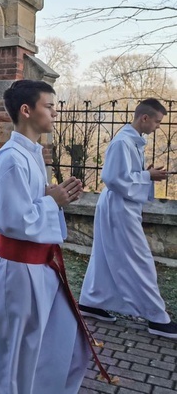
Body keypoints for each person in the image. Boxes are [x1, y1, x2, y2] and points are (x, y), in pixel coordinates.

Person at [0, 79, 115, 393]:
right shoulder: (11, 159)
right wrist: (52, 200)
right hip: (18, 271)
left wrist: (54, 197)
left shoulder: (32, 154)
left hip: (42, 269)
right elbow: (12, 219)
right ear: (26, 110)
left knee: (59, 344)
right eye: (50, 106)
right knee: (15, 355)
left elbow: (30, 203)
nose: (55, 113)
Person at [79, 98, 177, 338]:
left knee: (104, 255)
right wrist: (147, 176)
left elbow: (125, 175)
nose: (157, 127)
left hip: (120, 207)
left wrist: (145, 174)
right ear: (144, 118)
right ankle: (157, 318)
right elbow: (112, 178)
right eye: (157, 121)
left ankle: (91, 302)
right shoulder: (123, 142)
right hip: (118, 208)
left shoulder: (132, 142)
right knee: (139, 259)